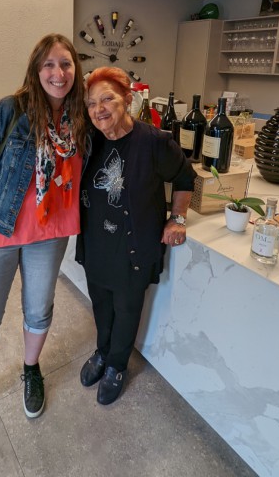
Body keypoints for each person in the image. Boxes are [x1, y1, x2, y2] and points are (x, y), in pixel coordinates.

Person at [0, 34, 87, 433]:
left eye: (66, 64)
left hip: (50, 233)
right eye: (49, 65)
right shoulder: (10, 110)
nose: (58, 73)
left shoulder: (80, 119)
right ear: (36, 70)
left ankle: (30, 368)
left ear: (76, 70)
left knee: (39, 309)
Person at [76, 67, 197, 405]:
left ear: (128, 99)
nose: (98, 109)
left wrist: (177, 218)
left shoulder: (155, 142)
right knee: (100, 303)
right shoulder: (90, 140)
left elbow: (186, 177)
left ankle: (116, 365)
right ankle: (102, 352)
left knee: (127, 308)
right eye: (91, 103)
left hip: (133, 246)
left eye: (107, 99)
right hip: (96, 242)